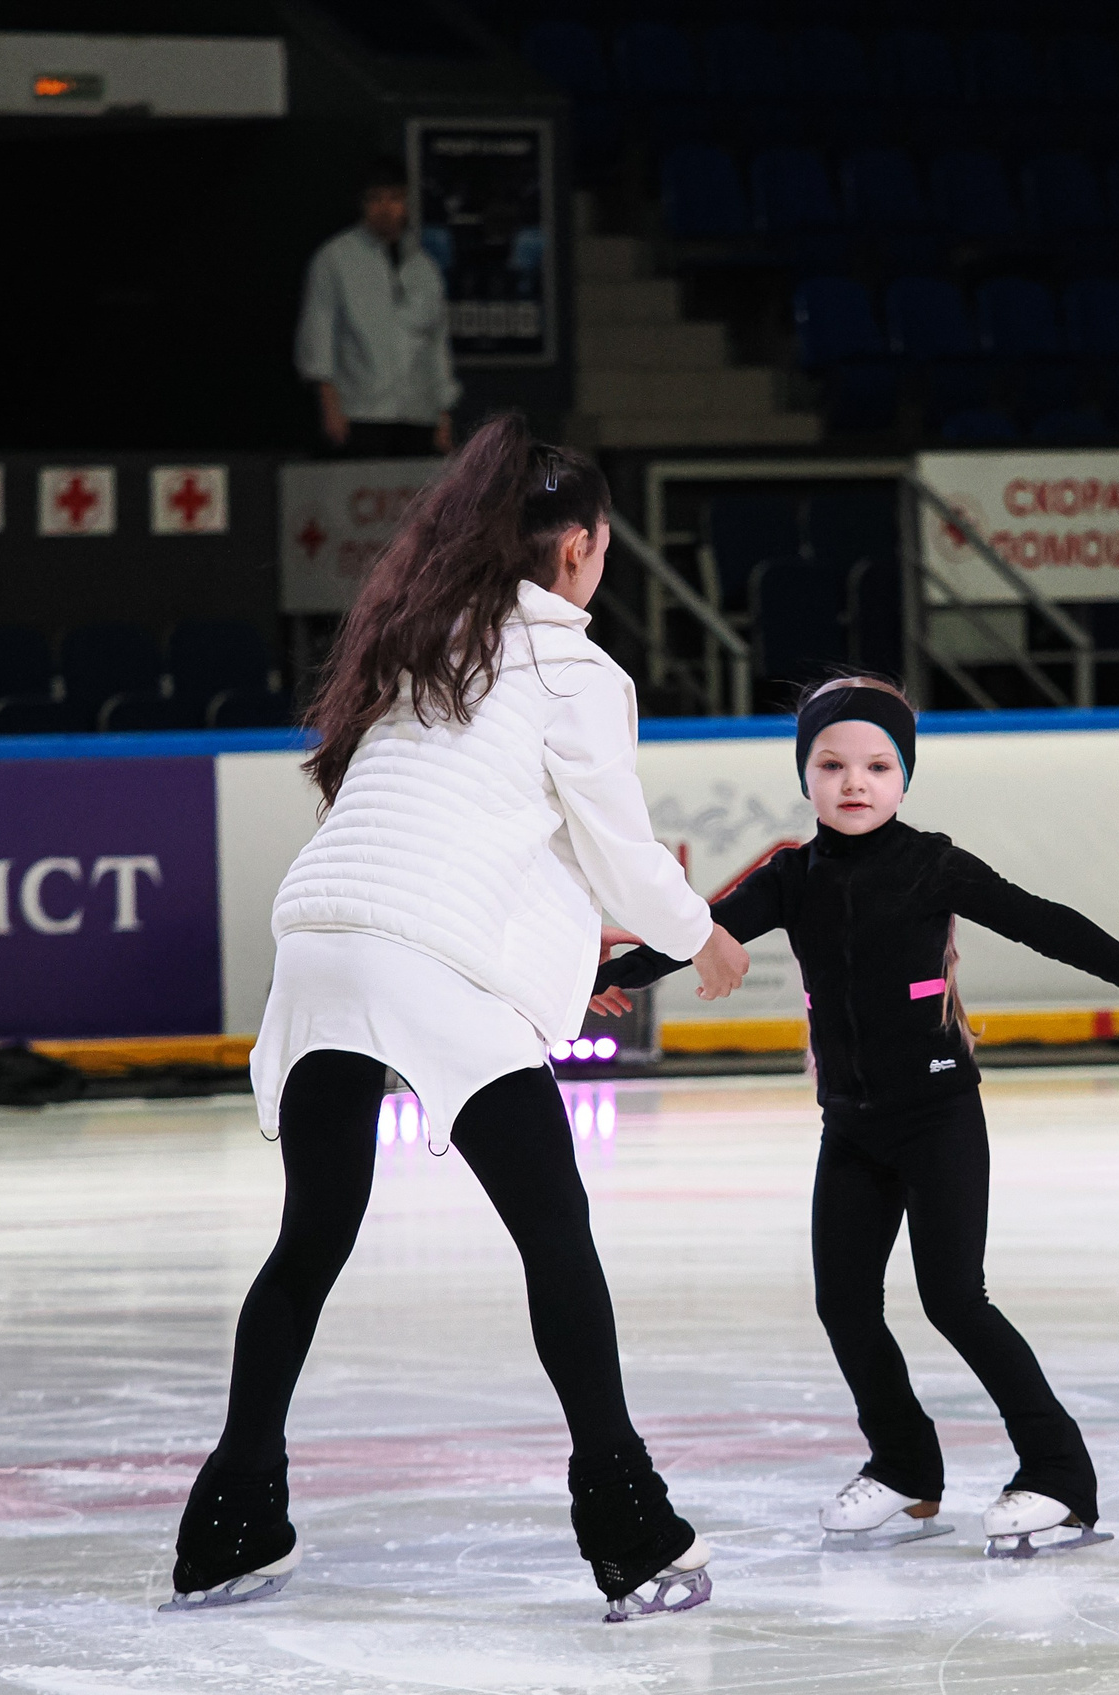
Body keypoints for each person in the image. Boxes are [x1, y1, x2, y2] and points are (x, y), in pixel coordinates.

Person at [163, 416, 752, 1621]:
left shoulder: (421, 638)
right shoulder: (578, 673)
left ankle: (227, 1528)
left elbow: (484, 837)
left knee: (311, 1240)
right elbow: (620, 854)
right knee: (555, 1232)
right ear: (584, 546)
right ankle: (632, 1533)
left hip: (319, 937)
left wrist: (547, 959)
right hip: (424, 957)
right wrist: (704, 938)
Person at [588, 677, 1119, 1559]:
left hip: (937, 1117)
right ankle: (904, 1464)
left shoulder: (932, 861)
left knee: (953, 1298)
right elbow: (697, 931)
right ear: (806, 776)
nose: (853, 782)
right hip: (851, 1125)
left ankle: (1060, 1474)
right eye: (831, 764)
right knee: (843, 1303)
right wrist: (602, 976)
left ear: (904, 780)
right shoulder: (791, 876)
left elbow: (1049, 926)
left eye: (876, 765)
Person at [295, 156, 458, 458]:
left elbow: (436, 345)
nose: (385, 209)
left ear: (407, 202)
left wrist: (443, 414)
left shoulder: (424, 268)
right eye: (376, 199)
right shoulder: (335, 258)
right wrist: (330, 406)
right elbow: (318, 334)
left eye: (395, 198)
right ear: (363, 204)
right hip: (360, 412)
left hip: (418, 412)